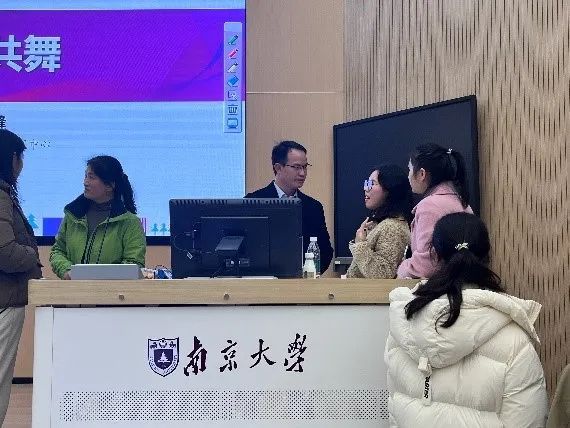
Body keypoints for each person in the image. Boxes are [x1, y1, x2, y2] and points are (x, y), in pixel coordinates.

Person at [386, 213, 548, 427]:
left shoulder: (405, 327)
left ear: (434, 255)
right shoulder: (514, 341)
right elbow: (527, 421)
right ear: (487, 255)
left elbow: (396, 413)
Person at [0, 129, 42, 425]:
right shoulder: (1, 196)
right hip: (5, 301)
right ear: (12, 158)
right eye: (21, 158)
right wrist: (32, 255)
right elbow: (6, 253)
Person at [50, 155, 146, 279]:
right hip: (73, 288)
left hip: (112, 290)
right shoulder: (73, 215)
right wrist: (67, 271)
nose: (85, 182)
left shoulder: (129, 222)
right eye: (85, 176)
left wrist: (100, 278)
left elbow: (133, 264)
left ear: (109, 186)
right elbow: (58, 251)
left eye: (91, 177)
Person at [245, 140, 333, 273]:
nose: (302, 173)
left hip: (303, 281)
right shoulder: (253, 202)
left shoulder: (313, 207)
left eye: (305, 167)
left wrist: (308, 274)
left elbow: (325, 251)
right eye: (296, 167)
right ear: (278, 168)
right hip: (262, 281)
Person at [397, 143, 473, 278]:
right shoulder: (463, 204)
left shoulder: (428, 207)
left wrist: (402, 268)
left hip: (440, 287)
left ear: (421, 174)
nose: (408, 176)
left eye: (410, 169)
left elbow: (425, 266)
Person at [346, 164, 412, 278]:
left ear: (389, 189)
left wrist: (360, 244)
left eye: (372, 183)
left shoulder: (392, 227)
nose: (366, 188)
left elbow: (383, 274)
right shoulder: (383, 223)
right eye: (367, 183)